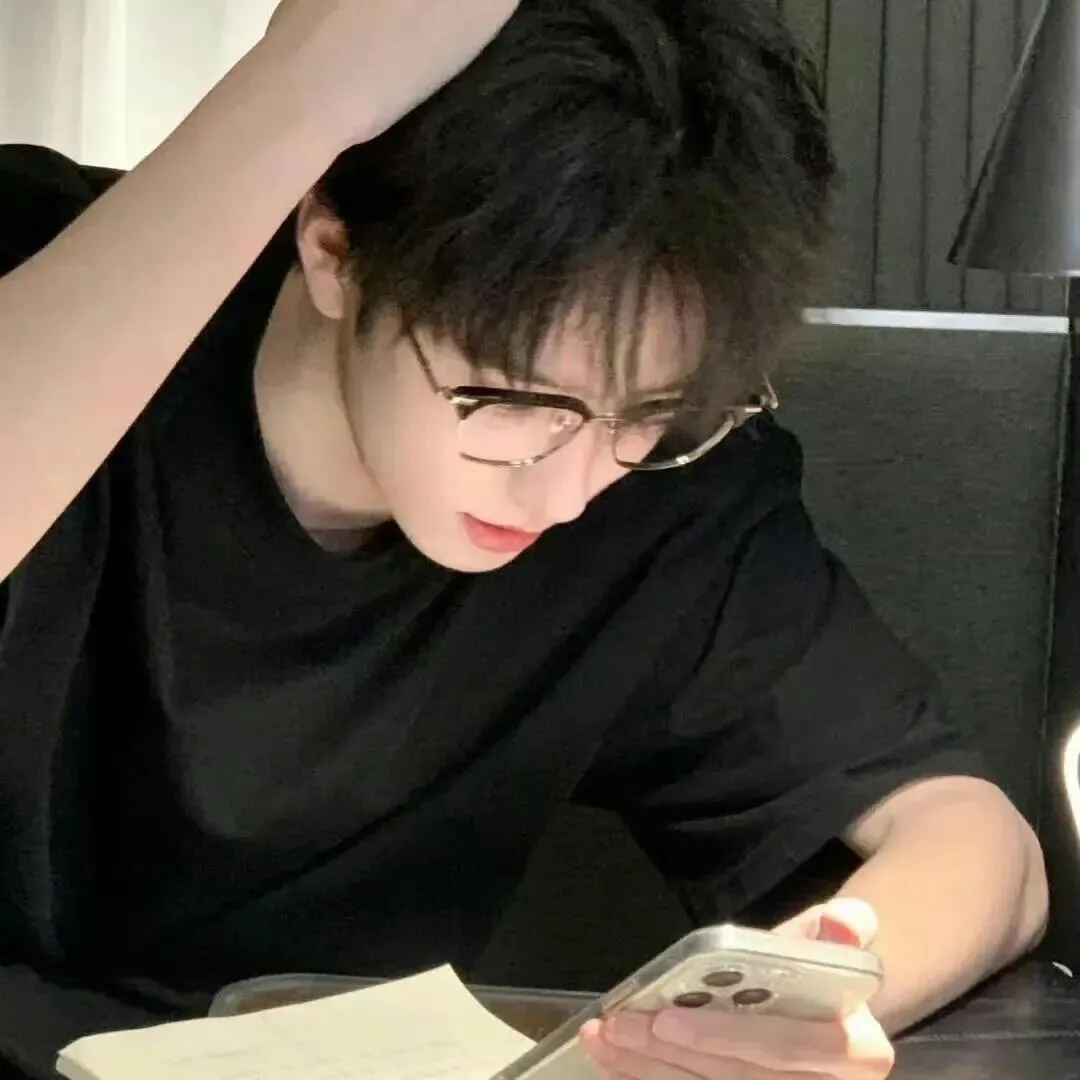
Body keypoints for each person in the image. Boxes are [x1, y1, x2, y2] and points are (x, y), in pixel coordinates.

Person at [0, 0, 1047, 1077]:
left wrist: (812, 994)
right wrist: (293, 100)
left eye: (648, 412)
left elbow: (977, 846)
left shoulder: (668, 497)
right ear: (333, 247)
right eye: (512, 399)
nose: (568, 489)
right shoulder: (40, 268)